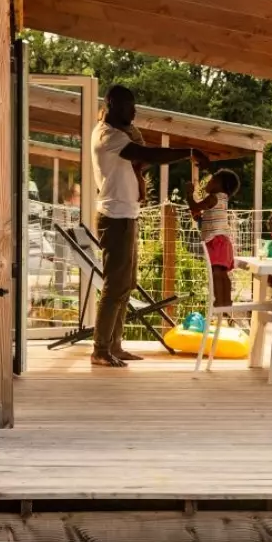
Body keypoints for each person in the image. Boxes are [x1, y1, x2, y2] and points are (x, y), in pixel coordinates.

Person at [91, 84, 210, 368]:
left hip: (126, 215)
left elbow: (140, 160)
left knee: (126, 284)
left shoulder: (119, 133)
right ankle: (100, 349)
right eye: (129, 106)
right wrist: (189, 151)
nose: (134, 112)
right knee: (114, 286)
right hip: (115, 217)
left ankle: (114, 346)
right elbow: (148, 155)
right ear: (112, 104)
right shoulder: (108, 135)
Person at [185, 170, 241, 307]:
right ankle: (226, 301)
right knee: (222, 273)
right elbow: (207, 217)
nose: (208, 182)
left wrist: (189, 194)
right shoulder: (221, 199)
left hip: (216, 241)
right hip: (222, 240)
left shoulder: (213, 198)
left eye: (212, 180)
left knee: (216, 272)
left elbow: (195, 206)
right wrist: (199, 218)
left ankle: (219, 301)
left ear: (220, 184)